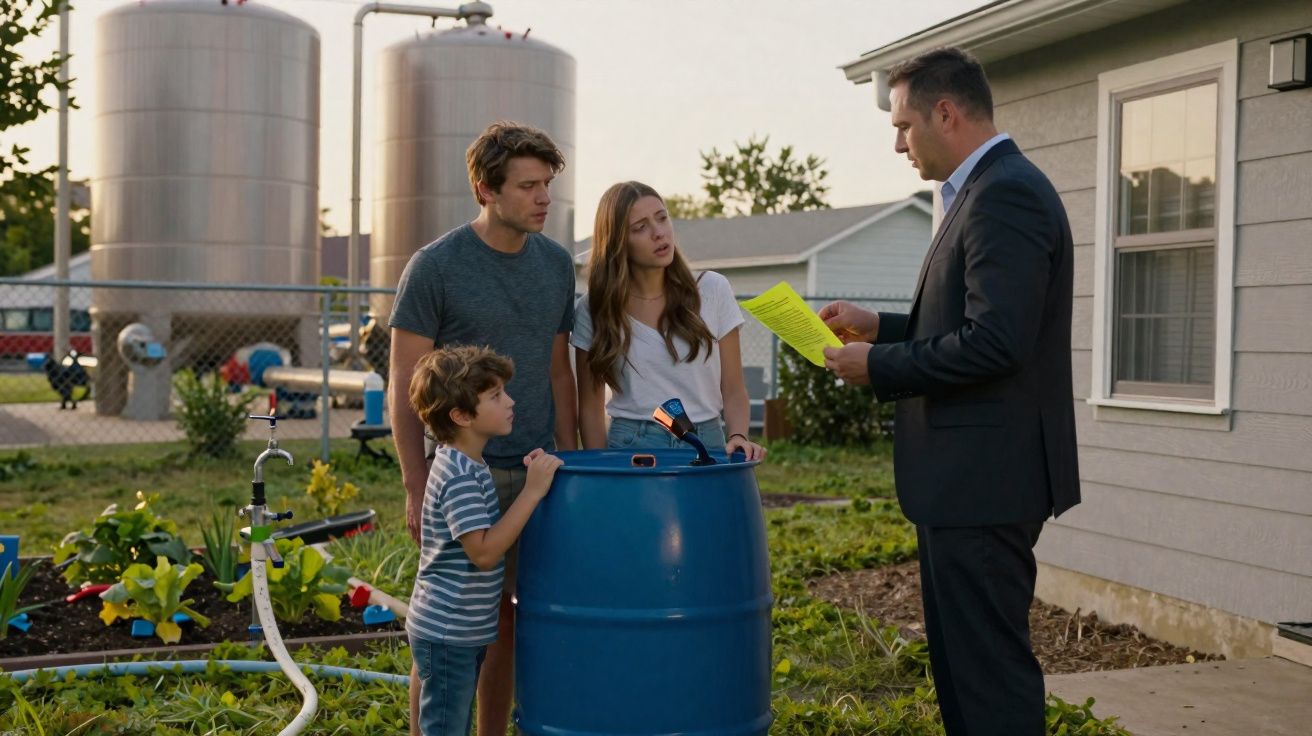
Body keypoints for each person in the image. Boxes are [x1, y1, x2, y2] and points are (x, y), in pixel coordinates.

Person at [820, 47, 1080, 736]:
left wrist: (877, 367)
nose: (898, 142)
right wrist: (881, 328)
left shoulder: (1007, 193)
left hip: (986, 484)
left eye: (903, 125)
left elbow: (997, 343)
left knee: (990, 679)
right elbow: (968, 323)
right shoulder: (980, 192)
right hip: (965, 485)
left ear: (946, 112)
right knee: (964, 673)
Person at [389, 121, 577, 736]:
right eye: (528, 186)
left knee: (511, 620)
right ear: (485, 189)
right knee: (447, 623)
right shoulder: (435, 267)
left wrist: (571, 461)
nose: (544, 198)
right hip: (466, 473)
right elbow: (405, 385)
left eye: (547, 184)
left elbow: (558, 372)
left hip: (538, 472)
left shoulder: (554, 264)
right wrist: (416, 484)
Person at [405, 345, 563, 736]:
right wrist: (532, 491)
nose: (510, 401)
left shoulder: (468, 462)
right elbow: (485, 552)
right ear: (460, 416)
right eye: (495, 396)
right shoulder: (459, 476)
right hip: (447, 633)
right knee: (445, 726)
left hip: (461, 629)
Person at [573, 181, 765, 460]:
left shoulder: (712, 289)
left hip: (706, 441)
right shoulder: (593, 308)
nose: (659, 232)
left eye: (662, 218)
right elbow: (590, 407)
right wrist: (600, 473)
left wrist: (738, 436)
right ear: (618, 243)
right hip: (632, 446)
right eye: (640, 227)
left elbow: (734, 388)